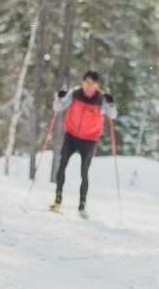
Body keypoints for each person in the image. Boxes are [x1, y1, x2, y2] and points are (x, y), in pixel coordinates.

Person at [49, 70, 117, 216]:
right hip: (71, 136)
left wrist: (111, 102)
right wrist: (58, 97)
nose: (88, 87)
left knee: (84, 172)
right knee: (62, 166)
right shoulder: (75, 94)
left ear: (96, 85)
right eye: (86, 83)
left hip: (89, 140)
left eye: (91, 84)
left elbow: (112, 115)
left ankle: (82, 206)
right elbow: (57, 108)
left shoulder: (101, 99)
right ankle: (57, 200)